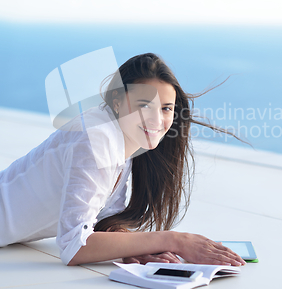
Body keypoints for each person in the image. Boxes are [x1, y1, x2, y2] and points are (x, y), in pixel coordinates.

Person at [0, 52, 246, 267]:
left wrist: (131, 248)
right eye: (144, 105)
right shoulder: (96, 137)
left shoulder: (125, 138)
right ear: (117, 102)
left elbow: (104, 216)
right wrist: (174, 240)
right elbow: (74, 247)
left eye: (166, 108)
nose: (157, 120)